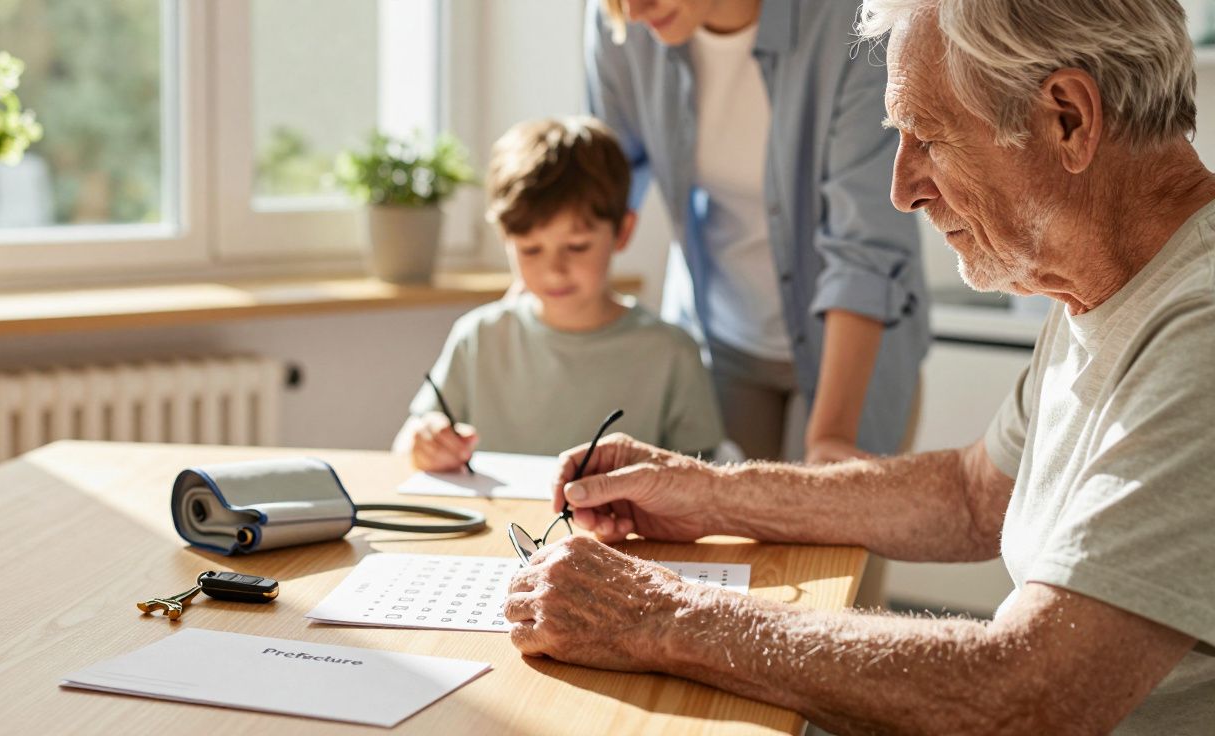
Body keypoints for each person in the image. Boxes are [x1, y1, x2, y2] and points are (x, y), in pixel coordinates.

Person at [505, 1, 1215, 733]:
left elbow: (1025, 691)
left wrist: (655, 615)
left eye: (929, 138)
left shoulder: (1200, 335)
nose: (902, 188)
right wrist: (705, 491)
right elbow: (972, 495)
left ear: (1067, 118)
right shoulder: (1104, 285)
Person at [586, 0, 930, 463]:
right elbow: (591, 193)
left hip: (854, 347)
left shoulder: (855, 20)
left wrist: (829, 438)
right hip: (717, 335)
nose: (634, 10)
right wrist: (505, 339)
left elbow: (864, 250)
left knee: (825, 526)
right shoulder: (621, 22)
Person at [393, 117, 725, 472]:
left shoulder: (671, 352)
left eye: (577, 246)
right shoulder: (478, 338)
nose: (554, 270)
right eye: (531, 249)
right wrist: (424, 442)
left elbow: (704, 476)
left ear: (623, 231)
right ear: (505, 238)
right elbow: (407, 445)